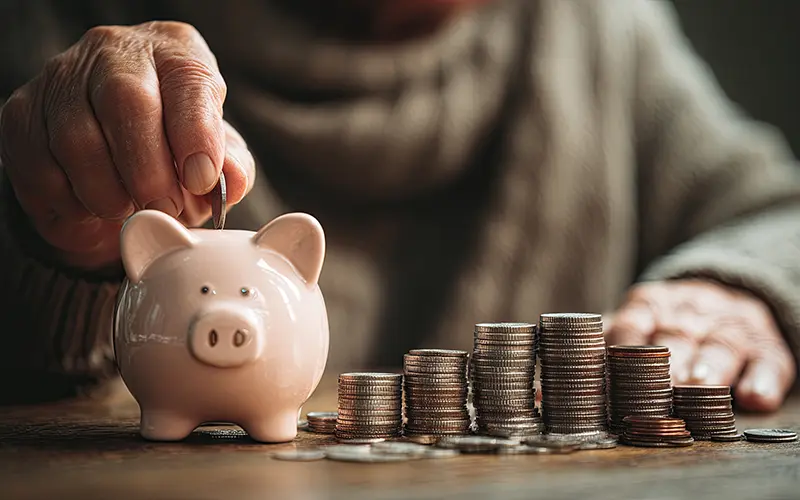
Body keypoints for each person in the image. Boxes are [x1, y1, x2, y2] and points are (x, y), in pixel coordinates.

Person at [0, 0, 798, 410]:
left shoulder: (596, 24)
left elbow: (778, 214)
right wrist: (63, 247)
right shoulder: (61, 33)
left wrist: (739, 285)